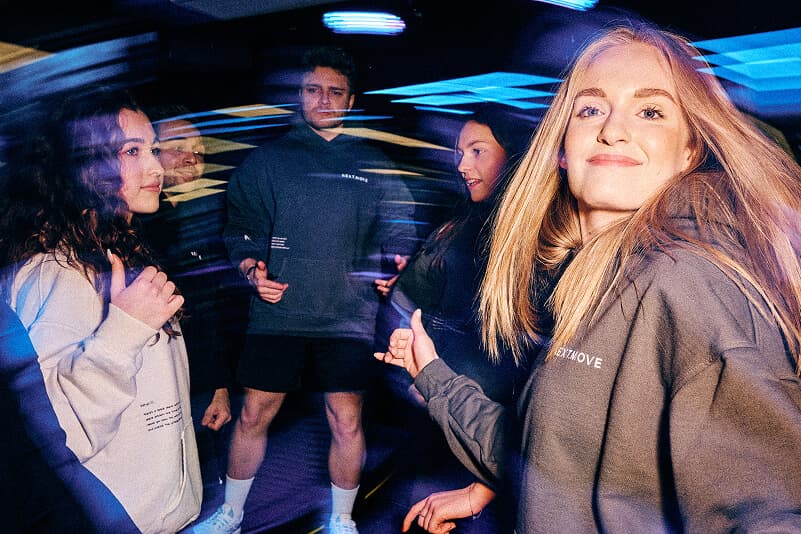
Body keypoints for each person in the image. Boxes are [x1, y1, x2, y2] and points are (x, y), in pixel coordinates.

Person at [377, 24, 801, 533]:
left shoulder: (685, 283)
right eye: (591, 109)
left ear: (690, 151)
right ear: (562, 147)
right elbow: (546, 453)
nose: (613, 130)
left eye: (650, 111)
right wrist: (430, 372)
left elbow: (769, 510)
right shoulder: (593, 277)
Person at [194, 46, 416, 534]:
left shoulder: (371, 162)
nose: (324, 100)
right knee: (253, 415)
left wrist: (398, 260)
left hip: (347, 317)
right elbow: (243, 226)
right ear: (299, 94)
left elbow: (399, 225)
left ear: (351, 100)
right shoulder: (267, 161)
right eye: (313, 90)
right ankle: (231, 514)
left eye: (335, 92)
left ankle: (341, 519)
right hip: (279, 312)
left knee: (346, 420)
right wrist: (251, 269)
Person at [0, 87, 202, 532]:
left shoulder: (115, 249)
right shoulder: (55, 273)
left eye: (152, 149)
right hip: (108, 517)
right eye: (131, 151)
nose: (156, 167)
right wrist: (121, 334)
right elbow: (55, 433)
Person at [373, 105, 530, 533]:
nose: (462, 164)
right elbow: (435, 294)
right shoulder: (464, 221)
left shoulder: (529, 235)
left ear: (514, 154)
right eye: (460, 153)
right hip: (441, 409)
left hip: (481, 424)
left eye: (477, 151)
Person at [143, 107, 237, 487]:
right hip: (152, 400)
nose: (191, 159)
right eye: (178, 147)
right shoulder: (132, 230)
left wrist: (219, 387)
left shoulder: (200, 222)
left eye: (199, 151)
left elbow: (207, 315)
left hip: (195, 389)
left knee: (203, 488)